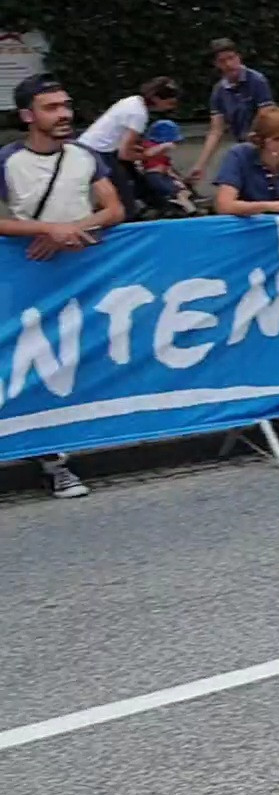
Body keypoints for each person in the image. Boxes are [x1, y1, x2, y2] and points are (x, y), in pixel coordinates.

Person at [2, 74, 127, 498]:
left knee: (78, 361)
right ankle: (50, 461)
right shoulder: (8, 161)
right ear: (27, 116)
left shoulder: (85, 156)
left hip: (84, 276)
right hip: (29, 278)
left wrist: (71, 229)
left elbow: (112, 208)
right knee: (34, 365)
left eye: (66, 105)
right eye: (52, 108)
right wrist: (47, 230)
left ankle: (68, 452)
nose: (64, 114)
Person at [76, 76, 181, 215]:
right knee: (124, 198)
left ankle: (158, 205)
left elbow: (122, 140)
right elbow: (125, 154)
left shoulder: (132, 101)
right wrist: (150, 154)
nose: (170, 108)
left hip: (94, 146)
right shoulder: (139, 114)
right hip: (97, 152)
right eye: (169, 104)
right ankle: (122, 216)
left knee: (136, 180)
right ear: (156, 99)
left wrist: (140, 150)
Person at [190, 38, 274, 186]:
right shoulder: (218, 91)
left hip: (265, 142)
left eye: (231, 58)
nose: (229, 64)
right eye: (222, 61)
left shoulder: (257, 81)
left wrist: (253, 138)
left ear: (239, 57)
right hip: (242, 144)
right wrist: (200, 164)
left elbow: (266, 115)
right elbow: (216, 131)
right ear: (216, 64)